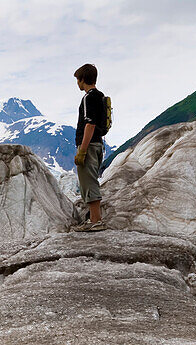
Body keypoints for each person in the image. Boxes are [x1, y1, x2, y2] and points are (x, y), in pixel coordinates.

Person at [73, 63, 108, 232]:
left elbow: (90, 124)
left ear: (83, 79)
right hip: (98, 143)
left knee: (88, 181)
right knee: (91, 179)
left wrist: (82, 150)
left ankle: (95, 221)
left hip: (89, 144)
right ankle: (96, 219)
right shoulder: (100, 96)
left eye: (77, 80)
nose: (77, 84)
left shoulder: (88, 98)